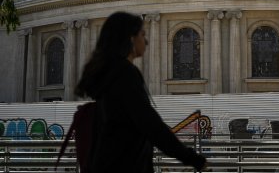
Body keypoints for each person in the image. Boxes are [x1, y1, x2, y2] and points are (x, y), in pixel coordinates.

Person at [75, 12, 206, 173]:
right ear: (131, 38)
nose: (146, 41)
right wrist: (193, 159)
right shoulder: (124, 74)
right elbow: (151, 125)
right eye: (142, 34)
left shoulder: (108, 74)